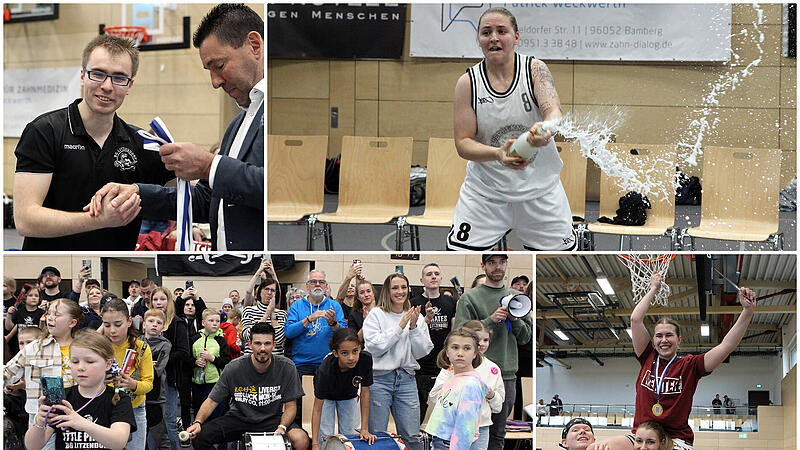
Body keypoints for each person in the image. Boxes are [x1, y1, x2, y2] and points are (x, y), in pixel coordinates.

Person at [89, 3, 264, 251]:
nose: (215, 82)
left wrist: (207, 165)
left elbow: (277, 189)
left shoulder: (280, 107)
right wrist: (136, 192)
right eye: (209, 70)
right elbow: (205, 199)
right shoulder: (237, 124)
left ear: (254, 45)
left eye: (220, 65)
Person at [13, 34, 174, 251]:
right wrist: (99, 220)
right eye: (98, 74)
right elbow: (25, 220)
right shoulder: (45, 131)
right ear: (83, 76)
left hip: (117, 273)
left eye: (119, 78)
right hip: (51, 272)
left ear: (130, 85)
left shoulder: (143, 144)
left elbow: (182, 197)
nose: (107, 86)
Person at [449, 7, 575, 251]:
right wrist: (498, 154)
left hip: (541, 192)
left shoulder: (535, 69)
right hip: (486, 194)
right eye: (486, 32)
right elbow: (463, 143)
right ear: (479, 40)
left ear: (516, 37)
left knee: (556, 256)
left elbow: (554, 110)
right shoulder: (467, 83)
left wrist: (546, 128)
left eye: (501, 31)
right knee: (461, 254)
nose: (494, 37)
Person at [593, 274, 756, 450]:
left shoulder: (691, 366)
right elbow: (635, 319)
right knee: (599, 448)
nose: (664, 340)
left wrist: (747, 311)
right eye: (659, 336)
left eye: (669, 335)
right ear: (653, 341)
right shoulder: (647, 356)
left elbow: (726, 346)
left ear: (679, 339)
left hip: (675, 439)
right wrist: (653, 289)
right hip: (641, 436)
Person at [185, 322, 309, 450]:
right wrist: (198, 422)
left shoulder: (287, 367)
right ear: (249, 344)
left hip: (273, 420)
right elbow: (212, 401)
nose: (262, 348)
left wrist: (282, 427)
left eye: (267, 343)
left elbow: (290, 406)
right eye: (257, 343)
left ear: (274, 345)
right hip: (239, 419)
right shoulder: (233, 368)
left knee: (301, 439)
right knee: (201, 438)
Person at [454, 254, 532, 450]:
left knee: (497, 434)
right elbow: (461, 336)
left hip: (506, 376)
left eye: (502, 262)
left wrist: (515, 320)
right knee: (468, 432)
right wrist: (490, 321)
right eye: (492, 263)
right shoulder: (470, 298)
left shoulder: (517, 297)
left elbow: (525, 338)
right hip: (475, 375)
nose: (498, 267)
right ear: (483, 266)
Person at [24, 329, 136, 450]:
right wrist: (39, 422)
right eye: (75, 361)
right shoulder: (64, 397)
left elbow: (118, 442)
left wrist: (82, 423)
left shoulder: (119, 399)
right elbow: (32, 446)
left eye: (89, 361)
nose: (81, 367)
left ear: (108, 364)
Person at [363, 272, 433, 450]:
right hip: (379, 380)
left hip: (407, 379)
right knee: (377, 435)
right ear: (387, 290)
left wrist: (414, 328)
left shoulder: (414, 315)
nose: (400, 291)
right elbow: (375, 348)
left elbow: (422, 352)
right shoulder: (376, 314)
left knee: (412, 436)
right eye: (395, 287)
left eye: (404, 287)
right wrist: (400, 326)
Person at [4, 299, 84, 450]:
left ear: (72, 322)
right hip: (42, 415)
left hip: (78, 413)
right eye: (49, 313)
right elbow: (7, 373)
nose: (50, 318)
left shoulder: (85, 346)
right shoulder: (35, 347)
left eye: (57, 314)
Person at [285, 270, 347, 425]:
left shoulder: (334, 306)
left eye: (321, 282)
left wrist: (333, 323)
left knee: (327, 406)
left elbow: (344, 335)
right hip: (301, 365)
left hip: (328, 364)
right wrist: (308, 319)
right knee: (300, 409)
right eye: (314, 282)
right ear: (307, 285)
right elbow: (289, 332)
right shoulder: (297, 306)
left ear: (326, 286)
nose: (317, 285)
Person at [430, 321, 504, 450]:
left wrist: (490, 394)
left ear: (474, 352)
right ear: (447, 351)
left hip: (472, 432)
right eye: (455, 347)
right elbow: (435, 398)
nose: (481, 344)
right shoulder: (450, 370)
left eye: (485, 340)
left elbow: (497, 407)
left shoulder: (488, 373)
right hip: (445, 432)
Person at [100, 298, 153, 450]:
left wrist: (133, 384)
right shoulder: (99, 348)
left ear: (129, 321)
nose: (112, 330)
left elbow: (149, 383)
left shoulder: (141, 347)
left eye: (118, 324)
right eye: (106, 325)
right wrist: (100, 380)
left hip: (134, 408)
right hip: (105, 407)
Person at [311, 328, 376, 448]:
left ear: (360, 348)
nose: (351, 357)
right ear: (335, 353)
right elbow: (317, 409)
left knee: (348, 434)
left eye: (355, 351)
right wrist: (315, 443)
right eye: (345, 353)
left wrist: (364, 429)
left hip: (348, 394)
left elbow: (365, 393)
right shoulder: (325, 369)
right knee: (326, 434)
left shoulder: (366, 360)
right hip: (327, 396)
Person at [410, 262, 457, 420]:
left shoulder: (450, 302)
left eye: (436, 274)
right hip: (421, 364)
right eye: (429, 274)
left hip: (443, 363)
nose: (433, 276)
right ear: (422, 280)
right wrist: (426, 319)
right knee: (420, 409)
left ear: (441, 278)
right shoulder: (414, 302)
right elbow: (412, 331)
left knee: (443, 408)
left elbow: (454, 331)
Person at [150, 286, 191, 450]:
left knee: (169, 422)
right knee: (151, 422)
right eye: (155, 299)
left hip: (170, 379)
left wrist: (161, 361)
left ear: (169, 301)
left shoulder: (177, 323)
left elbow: (184, 353)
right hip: (150, 380)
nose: (158, 303)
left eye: (162, 299)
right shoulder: (148, 322)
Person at [190, 309, 231, 420]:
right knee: (199, 412)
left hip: (216, 383)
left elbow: (227, 362)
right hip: (198, 383)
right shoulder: (195, 338)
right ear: (203, 323)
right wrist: (195, 362)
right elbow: (187, 358)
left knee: (216, 413)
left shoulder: (221, 341)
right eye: (211, 320)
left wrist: (212, 358)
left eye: (217, 321)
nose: (215, 323)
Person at [143, 308, 172, 450]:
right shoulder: (137, 342)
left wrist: (143, 363)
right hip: (138, 394)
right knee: (141, 434)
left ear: (163, 327)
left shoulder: (165, 345)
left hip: (156, 397)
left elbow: (157, 370)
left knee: (160, 436)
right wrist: (148, 363)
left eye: (158, 322)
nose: (154, 324)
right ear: (143, 324)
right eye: (151, 321)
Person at [242, 278, 287, 355]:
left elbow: (279, 340)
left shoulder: (282, 314)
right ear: (260, 292)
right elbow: (247, 336)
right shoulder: (248, 311)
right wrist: (266, 314)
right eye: (266, 289)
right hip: (252, 359)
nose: (269, 293)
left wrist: (272, 312)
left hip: (276, 359)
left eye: (273, 290)